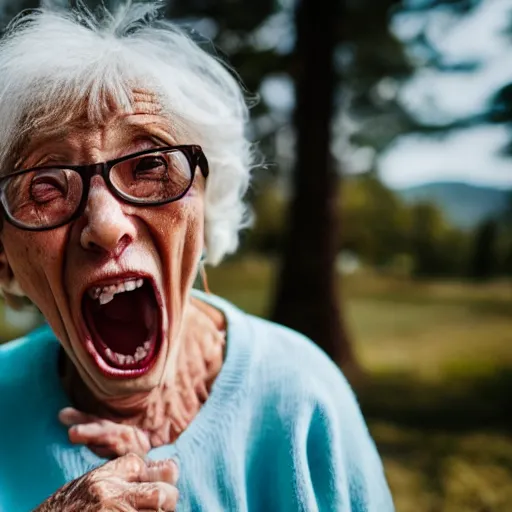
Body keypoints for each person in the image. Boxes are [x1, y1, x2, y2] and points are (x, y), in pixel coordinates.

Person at [0, 3, 394, 511]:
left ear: (206, 207)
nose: (105, 225)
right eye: (46, 186)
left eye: (148, 165)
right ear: (4, 254)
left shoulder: (300, 396)